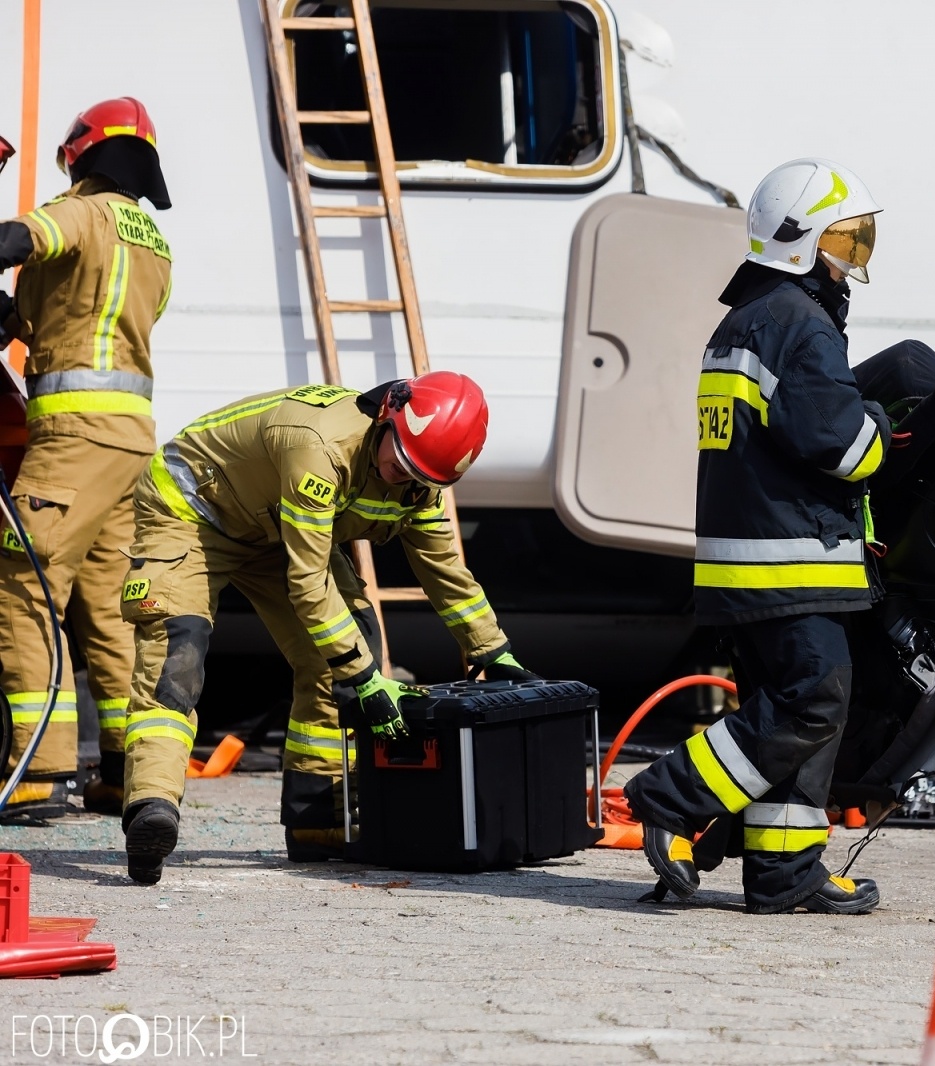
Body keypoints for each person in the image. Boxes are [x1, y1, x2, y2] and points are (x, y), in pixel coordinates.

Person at [117, 372, 536, 884]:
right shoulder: (319, 445)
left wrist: (493, 652)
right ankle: (151, 808)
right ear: (389, 414)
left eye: (418, 474)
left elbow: (443, 567)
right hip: (192, 511)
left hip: (276, 524)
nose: (398, 474)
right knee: (175, 656)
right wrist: (364, 679)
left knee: (337, 651)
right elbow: (309, 581)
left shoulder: (418, 477)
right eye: (397, 458)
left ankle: (318, 822)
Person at [623, 158, 890, 915]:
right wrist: (883, 425)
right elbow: (845, 448)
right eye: (845, 240)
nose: (852, 259)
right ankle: (670, 799)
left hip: (745, 563)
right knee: (813, 702)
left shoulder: (743, 320)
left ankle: (784, 871)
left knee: (791, 709)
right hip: (793, 559)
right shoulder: (801, 325)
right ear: (803, 243)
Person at [0, 99, 174, 820]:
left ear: (83, 154)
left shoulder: (84, 211)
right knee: (107, 607)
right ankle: (122, 772)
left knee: (25, 584)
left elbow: (22, 239)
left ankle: (39, 772)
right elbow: (80, 313)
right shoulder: (153, 242)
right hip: (133, 444)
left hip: (74, 440)